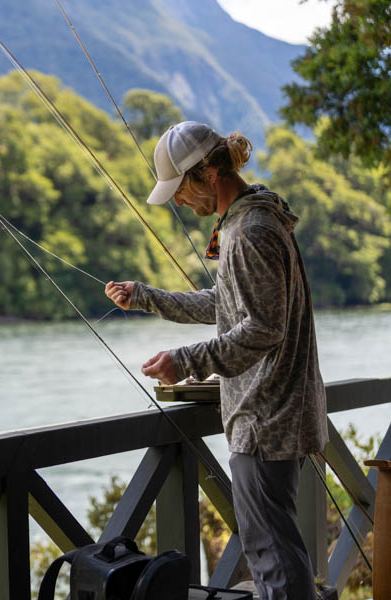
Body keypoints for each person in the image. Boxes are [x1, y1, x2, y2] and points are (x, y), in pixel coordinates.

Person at [105, 121, 328, 599]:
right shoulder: (256, 219)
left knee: (273, 560)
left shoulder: (249, 232)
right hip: (275, 414)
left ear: (208, 174)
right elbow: (227, 305)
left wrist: (184, 362)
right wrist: (145, 297)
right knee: (275, 553)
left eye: (180, 190)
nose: (179, 202)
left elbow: (262, 329)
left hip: (265, 418)